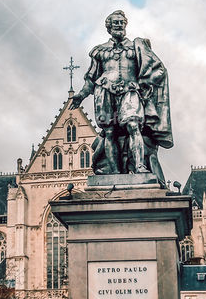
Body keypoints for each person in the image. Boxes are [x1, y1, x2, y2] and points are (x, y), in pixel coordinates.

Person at [70, 10, 173, 184]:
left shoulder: (137, 47)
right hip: (104, 90)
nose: (119, 25)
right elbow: (91, 78)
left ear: (125, 25)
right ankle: (114, 172)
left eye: (121, 22)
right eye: (115, 22)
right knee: (109, 132)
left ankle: (140, 166)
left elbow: (159, 69)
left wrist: (145, 83)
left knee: (134, 125)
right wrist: (81, 95)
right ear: (108, 27)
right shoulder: (99, 51)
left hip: (130, 90)